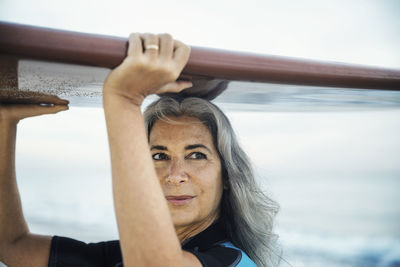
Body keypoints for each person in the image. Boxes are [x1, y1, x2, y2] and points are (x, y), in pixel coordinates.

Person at [0, 33, 280, 267]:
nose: (174, 175)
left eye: (197, 155)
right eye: (159, 156)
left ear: (228, 176)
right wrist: (3, 123)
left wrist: (124, 98)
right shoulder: (126, 255)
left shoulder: (232, 261)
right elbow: (12, 245)